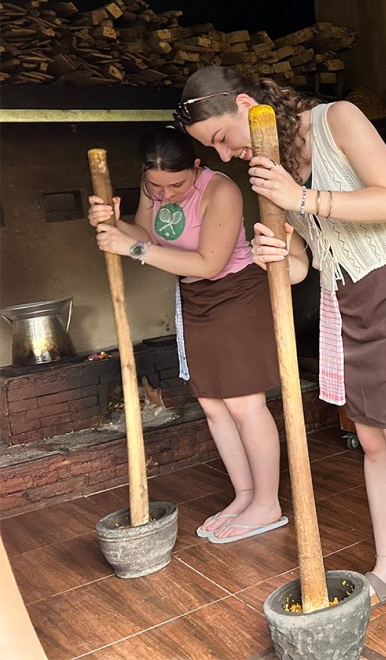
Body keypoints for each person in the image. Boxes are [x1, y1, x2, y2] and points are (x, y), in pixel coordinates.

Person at [176, 66, 386, 647]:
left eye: (220, 137)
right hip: (344, 299)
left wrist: (301, 196)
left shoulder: (339, 121)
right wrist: (278, 250)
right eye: (214, 149)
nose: (227, 153)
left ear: (244, 103)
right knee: (375, 444)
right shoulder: (270, 170)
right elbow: (308, 262)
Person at [88, 127, 285, 544]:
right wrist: (115, 226)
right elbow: (144, 234)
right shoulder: (153, 186)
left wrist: (133, 250)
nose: (166, 195)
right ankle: (245, 495)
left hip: (235, 292)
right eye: (156, 186)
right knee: (213, 405)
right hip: (193, 297)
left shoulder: (221, 191)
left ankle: (268, 504)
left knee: (244, 404)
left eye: (176, 185)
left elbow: (209, 263)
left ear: (196, 168)